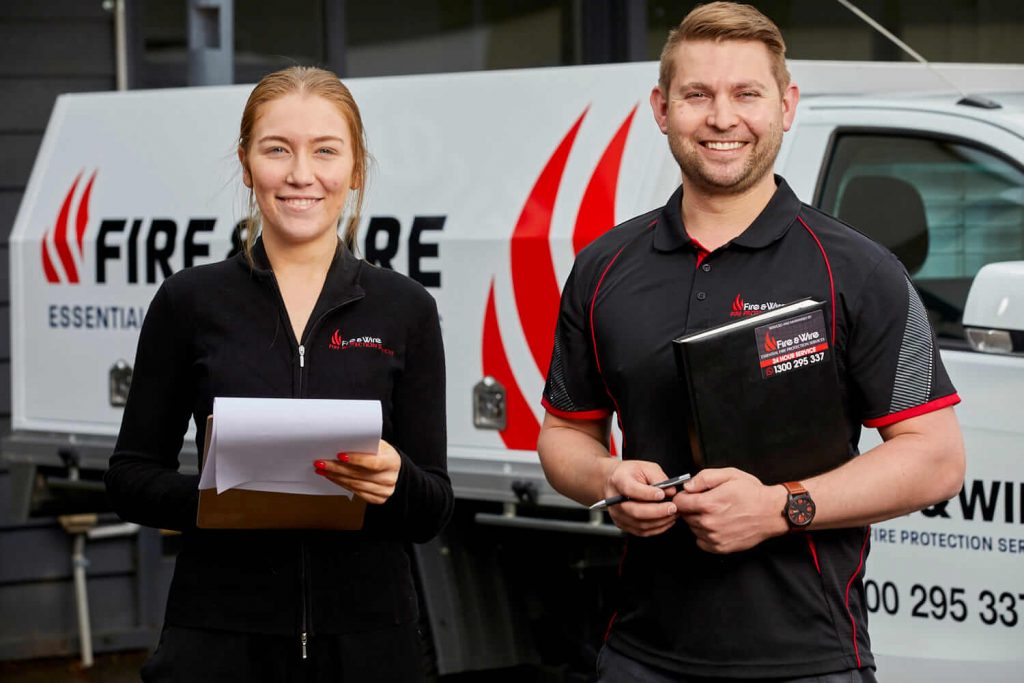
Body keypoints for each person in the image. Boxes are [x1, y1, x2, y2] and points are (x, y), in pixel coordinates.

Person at [537, 3, 965, 681]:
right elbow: (564, 433)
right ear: (661, 107)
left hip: (810, 661)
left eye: (747, 94)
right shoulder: (604, 267)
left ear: (787, 105)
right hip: (639, 657)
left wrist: (778, 507)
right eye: (697, 95)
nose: (722, 117)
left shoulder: (859, 272)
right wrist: (609, 478)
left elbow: (936, 458)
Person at [105, 66, 452, 682]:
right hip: (218, 642)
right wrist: (219, 501)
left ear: (356, 168)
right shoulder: (189, 302)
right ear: (246, 164)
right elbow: (130, 478)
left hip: (370, 646)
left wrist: (396, 481)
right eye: (277, 149)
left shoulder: (406, 309)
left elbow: (433, 509)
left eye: (325, 150)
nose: (301, 174)